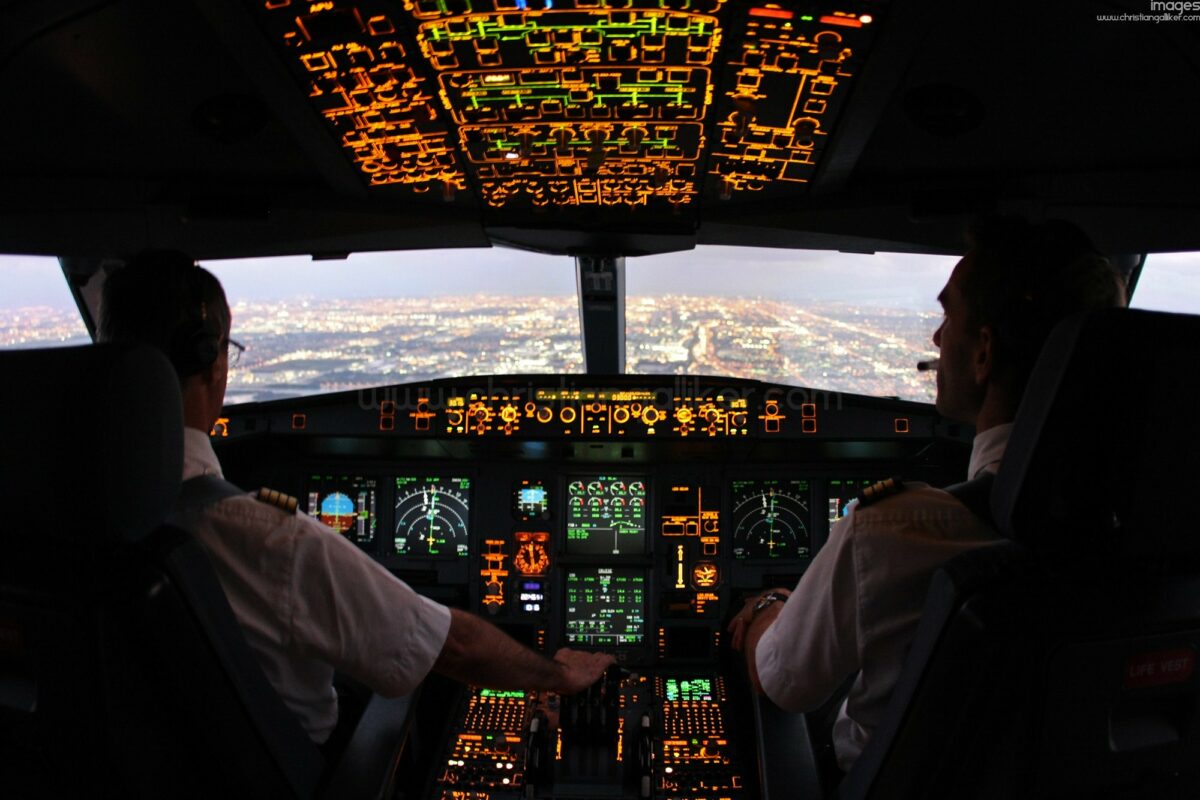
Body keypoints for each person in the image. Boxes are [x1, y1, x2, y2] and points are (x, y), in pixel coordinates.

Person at [99, 250, 614, 748]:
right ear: (212, 362)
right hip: (302, 767)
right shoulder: (270, 539)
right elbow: (452, 647)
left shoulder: (65, 519)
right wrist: (560, 675)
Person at [727, 217, 1127, 772]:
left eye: (948, 317)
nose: (937, 339)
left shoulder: (894, 532)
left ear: (984, 353)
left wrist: (766, 608)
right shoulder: (1146, 527)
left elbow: (780, 680)